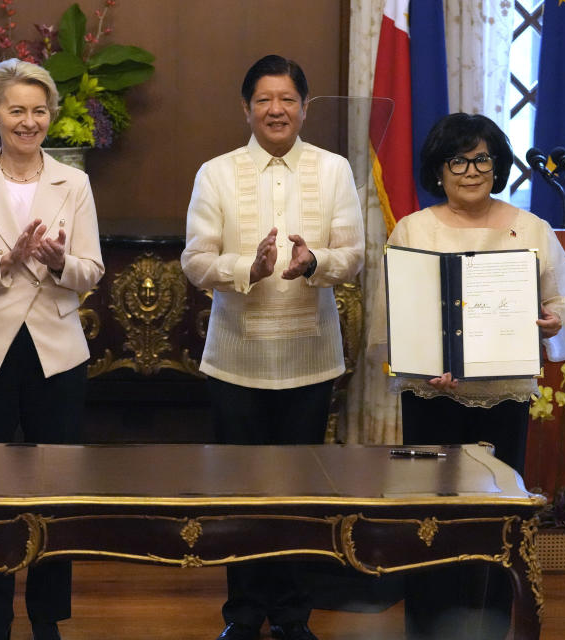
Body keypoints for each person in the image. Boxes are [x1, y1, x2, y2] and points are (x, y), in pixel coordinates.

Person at [372, 112, 565, 639]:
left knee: (494, 518)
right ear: (438, 170)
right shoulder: (413, 228)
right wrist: (421, 360)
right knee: (430, 519)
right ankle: (426, 627)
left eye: (483, 158)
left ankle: (488, 625)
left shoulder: (530, 227)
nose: (471, 170)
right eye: (458, 159)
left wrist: (553, 321)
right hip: (431, 396)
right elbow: (391, 311)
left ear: (499, 165)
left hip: (503, 395)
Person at [181, 54, 364, 640]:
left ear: (305, 106)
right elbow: (195, 261)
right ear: (247, 108)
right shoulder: (216, 172)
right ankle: (242, 615)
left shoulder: (335, 169)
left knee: (301, 495)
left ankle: (292, 616)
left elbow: (355, 254)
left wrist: (314, 262)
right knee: (240, 494)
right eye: (264, 99)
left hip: (310, 358)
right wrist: (249, 268)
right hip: (236, 359)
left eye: (287, 99)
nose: (276, 109)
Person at [0, 58, 104, 640]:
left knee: (55, 490)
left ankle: (47, 618)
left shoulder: (74, 182)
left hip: (56, 351)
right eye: (17, 110)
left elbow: (92, 270)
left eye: (39, 110)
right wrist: (5, 262)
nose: (30, 121)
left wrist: (60, 262)